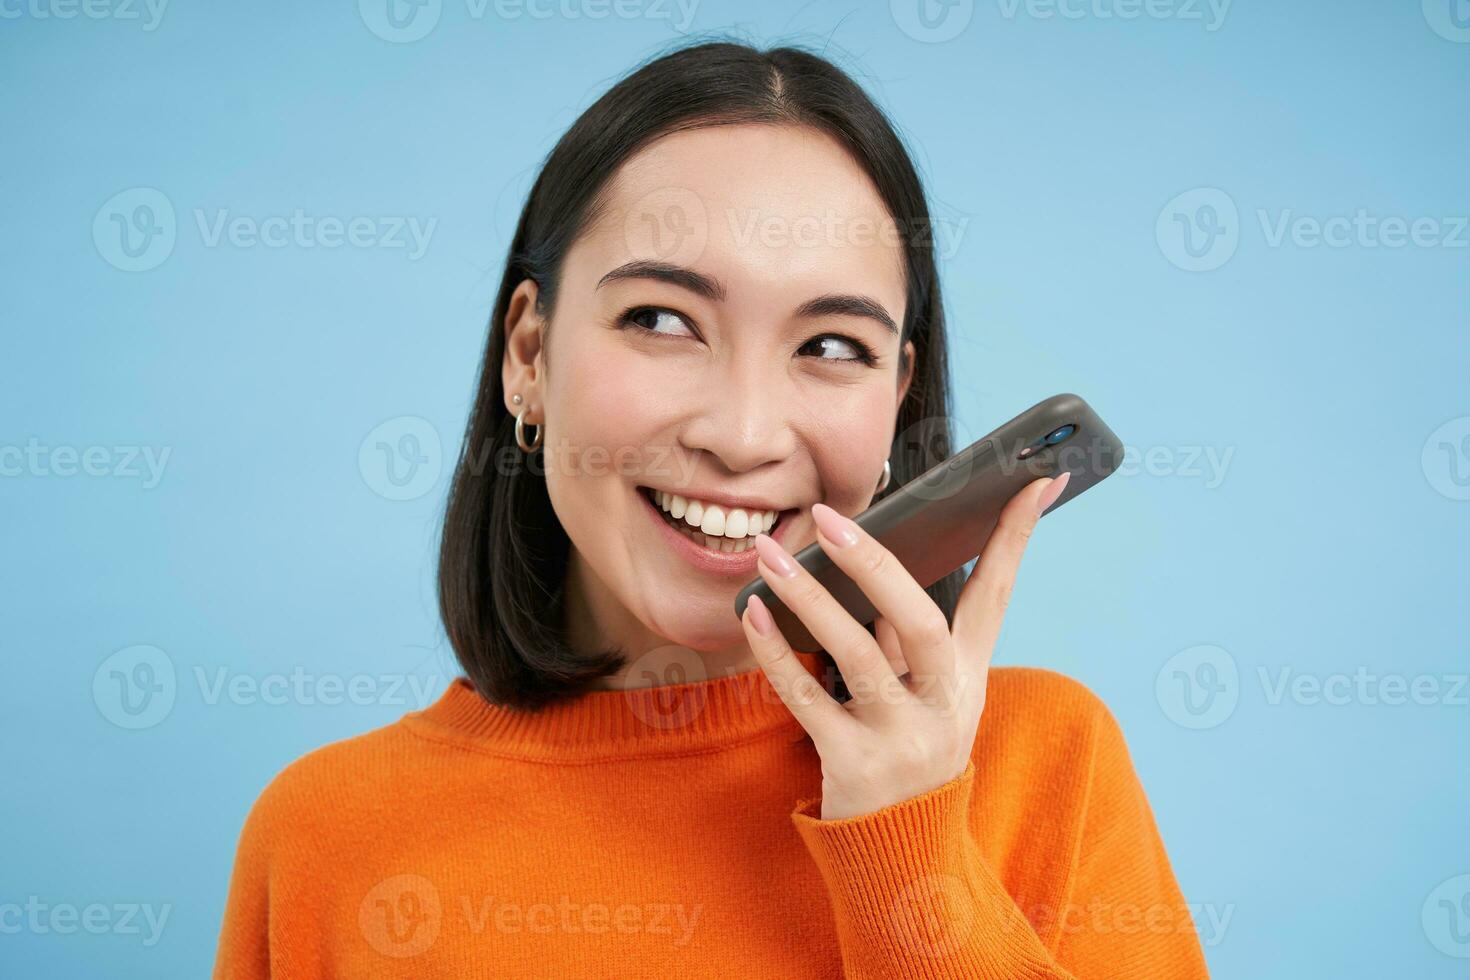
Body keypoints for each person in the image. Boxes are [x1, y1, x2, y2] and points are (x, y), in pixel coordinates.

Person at [213, 39, 1211, 979]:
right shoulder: (327, 832)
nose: (743, 434)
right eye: (662, 320)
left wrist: (912, 852)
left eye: (830, 346)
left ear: (897, 395)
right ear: (530, 355)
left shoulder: (1046, 761)